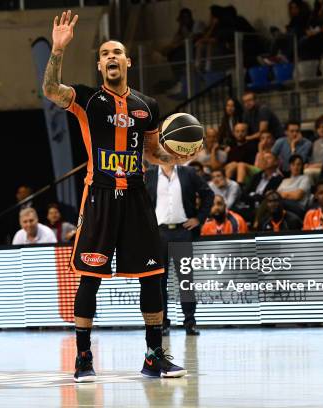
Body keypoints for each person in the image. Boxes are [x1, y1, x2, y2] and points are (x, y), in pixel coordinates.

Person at [42, 10, 193, 382]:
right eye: (105, 53)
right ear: (99, 64)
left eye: (117, 52)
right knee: (89, 277)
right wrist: (58, 51)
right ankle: (82, 358)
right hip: (100, 197)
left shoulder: (148, 106)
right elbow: (49, 89)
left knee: (152, 276)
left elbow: (154, 152)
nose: (111, 57)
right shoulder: (88, 99)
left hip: (138, 196)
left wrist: (178, 155)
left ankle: (153, 356)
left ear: (128, 61)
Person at [145, 163, 213, 336]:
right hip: (158, 233)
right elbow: (139, 200)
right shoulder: (150, 174)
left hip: (183, 231)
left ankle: (190, 322)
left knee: (186, 280)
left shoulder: (188, 172)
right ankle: (162, 323)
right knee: (159, 281)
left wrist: (199, 218)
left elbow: (208, 194)